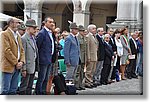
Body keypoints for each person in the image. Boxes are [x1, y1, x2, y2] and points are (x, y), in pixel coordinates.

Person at [0, 18, 25, 95]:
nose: (19, 25)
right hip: (8, 65)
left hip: (17, 66)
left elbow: (22, 50)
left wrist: (21, 61)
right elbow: (6, 50)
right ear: (11, 23)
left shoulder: (17, 35)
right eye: (17, 23)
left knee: (13, 90)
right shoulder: (4, 34)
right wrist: (16, 62)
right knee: (5, 90)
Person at [36, 17, 55, 95]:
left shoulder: (50, 33)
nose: (52, 24)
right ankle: (39, 92)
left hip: (49, 59)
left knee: (46, 78)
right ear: (45, 23)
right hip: (43, 59)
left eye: (52, 22)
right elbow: (38, 46)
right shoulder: (42, 33)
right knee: (41, 78)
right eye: (50, 22)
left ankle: (43, 92)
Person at [19, 19, 39, 95]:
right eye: (34, 28)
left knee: (29, 87)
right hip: (27, 67)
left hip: (32, 66)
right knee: (24, 87)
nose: (35, 30)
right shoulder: (24, 38)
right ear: (28, 28)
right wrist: (23, 69)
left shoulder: (33, 38)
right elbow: (22, 54)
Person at [75, 25, 86, 90]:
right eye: (82, 31)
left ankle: (81, 84)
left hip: (83, 57)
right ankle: (76, 85)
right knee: (77, 72)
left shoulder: (83, 38)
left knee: (82, 72)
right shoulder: (77, 37)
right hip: (79, 57)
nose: (83, 32)